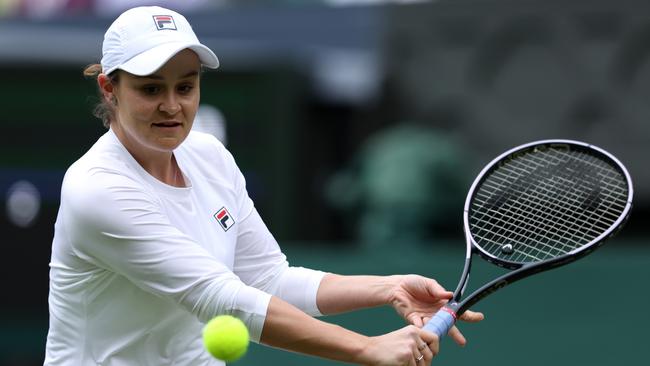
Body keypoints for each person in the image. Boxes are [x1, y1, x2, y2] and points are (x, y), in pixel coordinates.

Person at [44, 6, 483, 366]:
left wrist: (386, 288)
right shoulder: (97, 190)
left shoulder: (209, 156)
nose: (172, 106)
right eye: (151, 89)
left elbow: (267, 279)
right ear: (110, 89)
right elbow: (224, 298)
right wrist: (367, 348)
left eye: (186, 86)